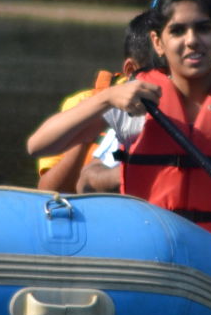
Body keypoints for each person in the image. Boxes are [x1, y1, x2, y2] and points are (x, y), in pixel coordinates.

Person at [27, 0, 211, 265]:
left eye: (203, 28)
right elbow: (39, 146)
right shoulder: (134, 102)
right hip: (144, 255)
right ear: (158, 43)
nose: (192, 39)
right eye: (178, 30)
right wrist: (105, 99)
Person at [37, 10, 158, 194]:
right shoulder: (83, 103)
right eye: (162, 70)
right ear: (131, 70)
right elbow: (49, 191)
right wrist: (84, 136)